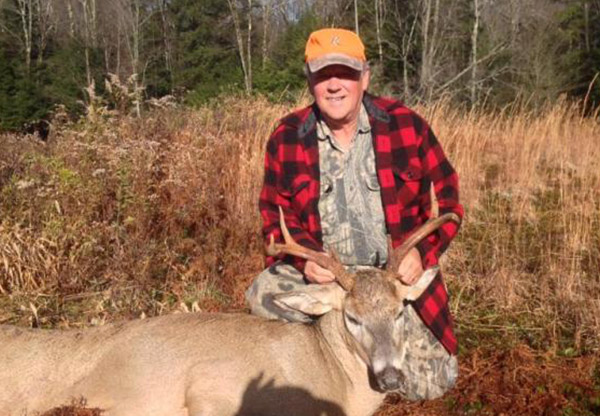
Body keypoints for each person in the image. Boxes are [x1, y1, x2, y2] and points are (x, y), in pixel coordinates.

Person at [245, 28, 464, 401]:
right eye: (322, 75)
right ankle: (321, 358)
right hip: (334, 281)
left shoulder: (407, 126)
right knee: (261, 296)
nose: (334, 85)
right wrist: (305, 266)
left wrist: (421, 254)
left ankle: (354, 343)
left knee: (433, 383)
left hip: (391, 278)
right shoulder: (287, 135)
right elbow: (272, 215)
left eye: (345, 73)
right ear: (309, 80)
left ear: (365, 77)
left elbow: (450, 204)